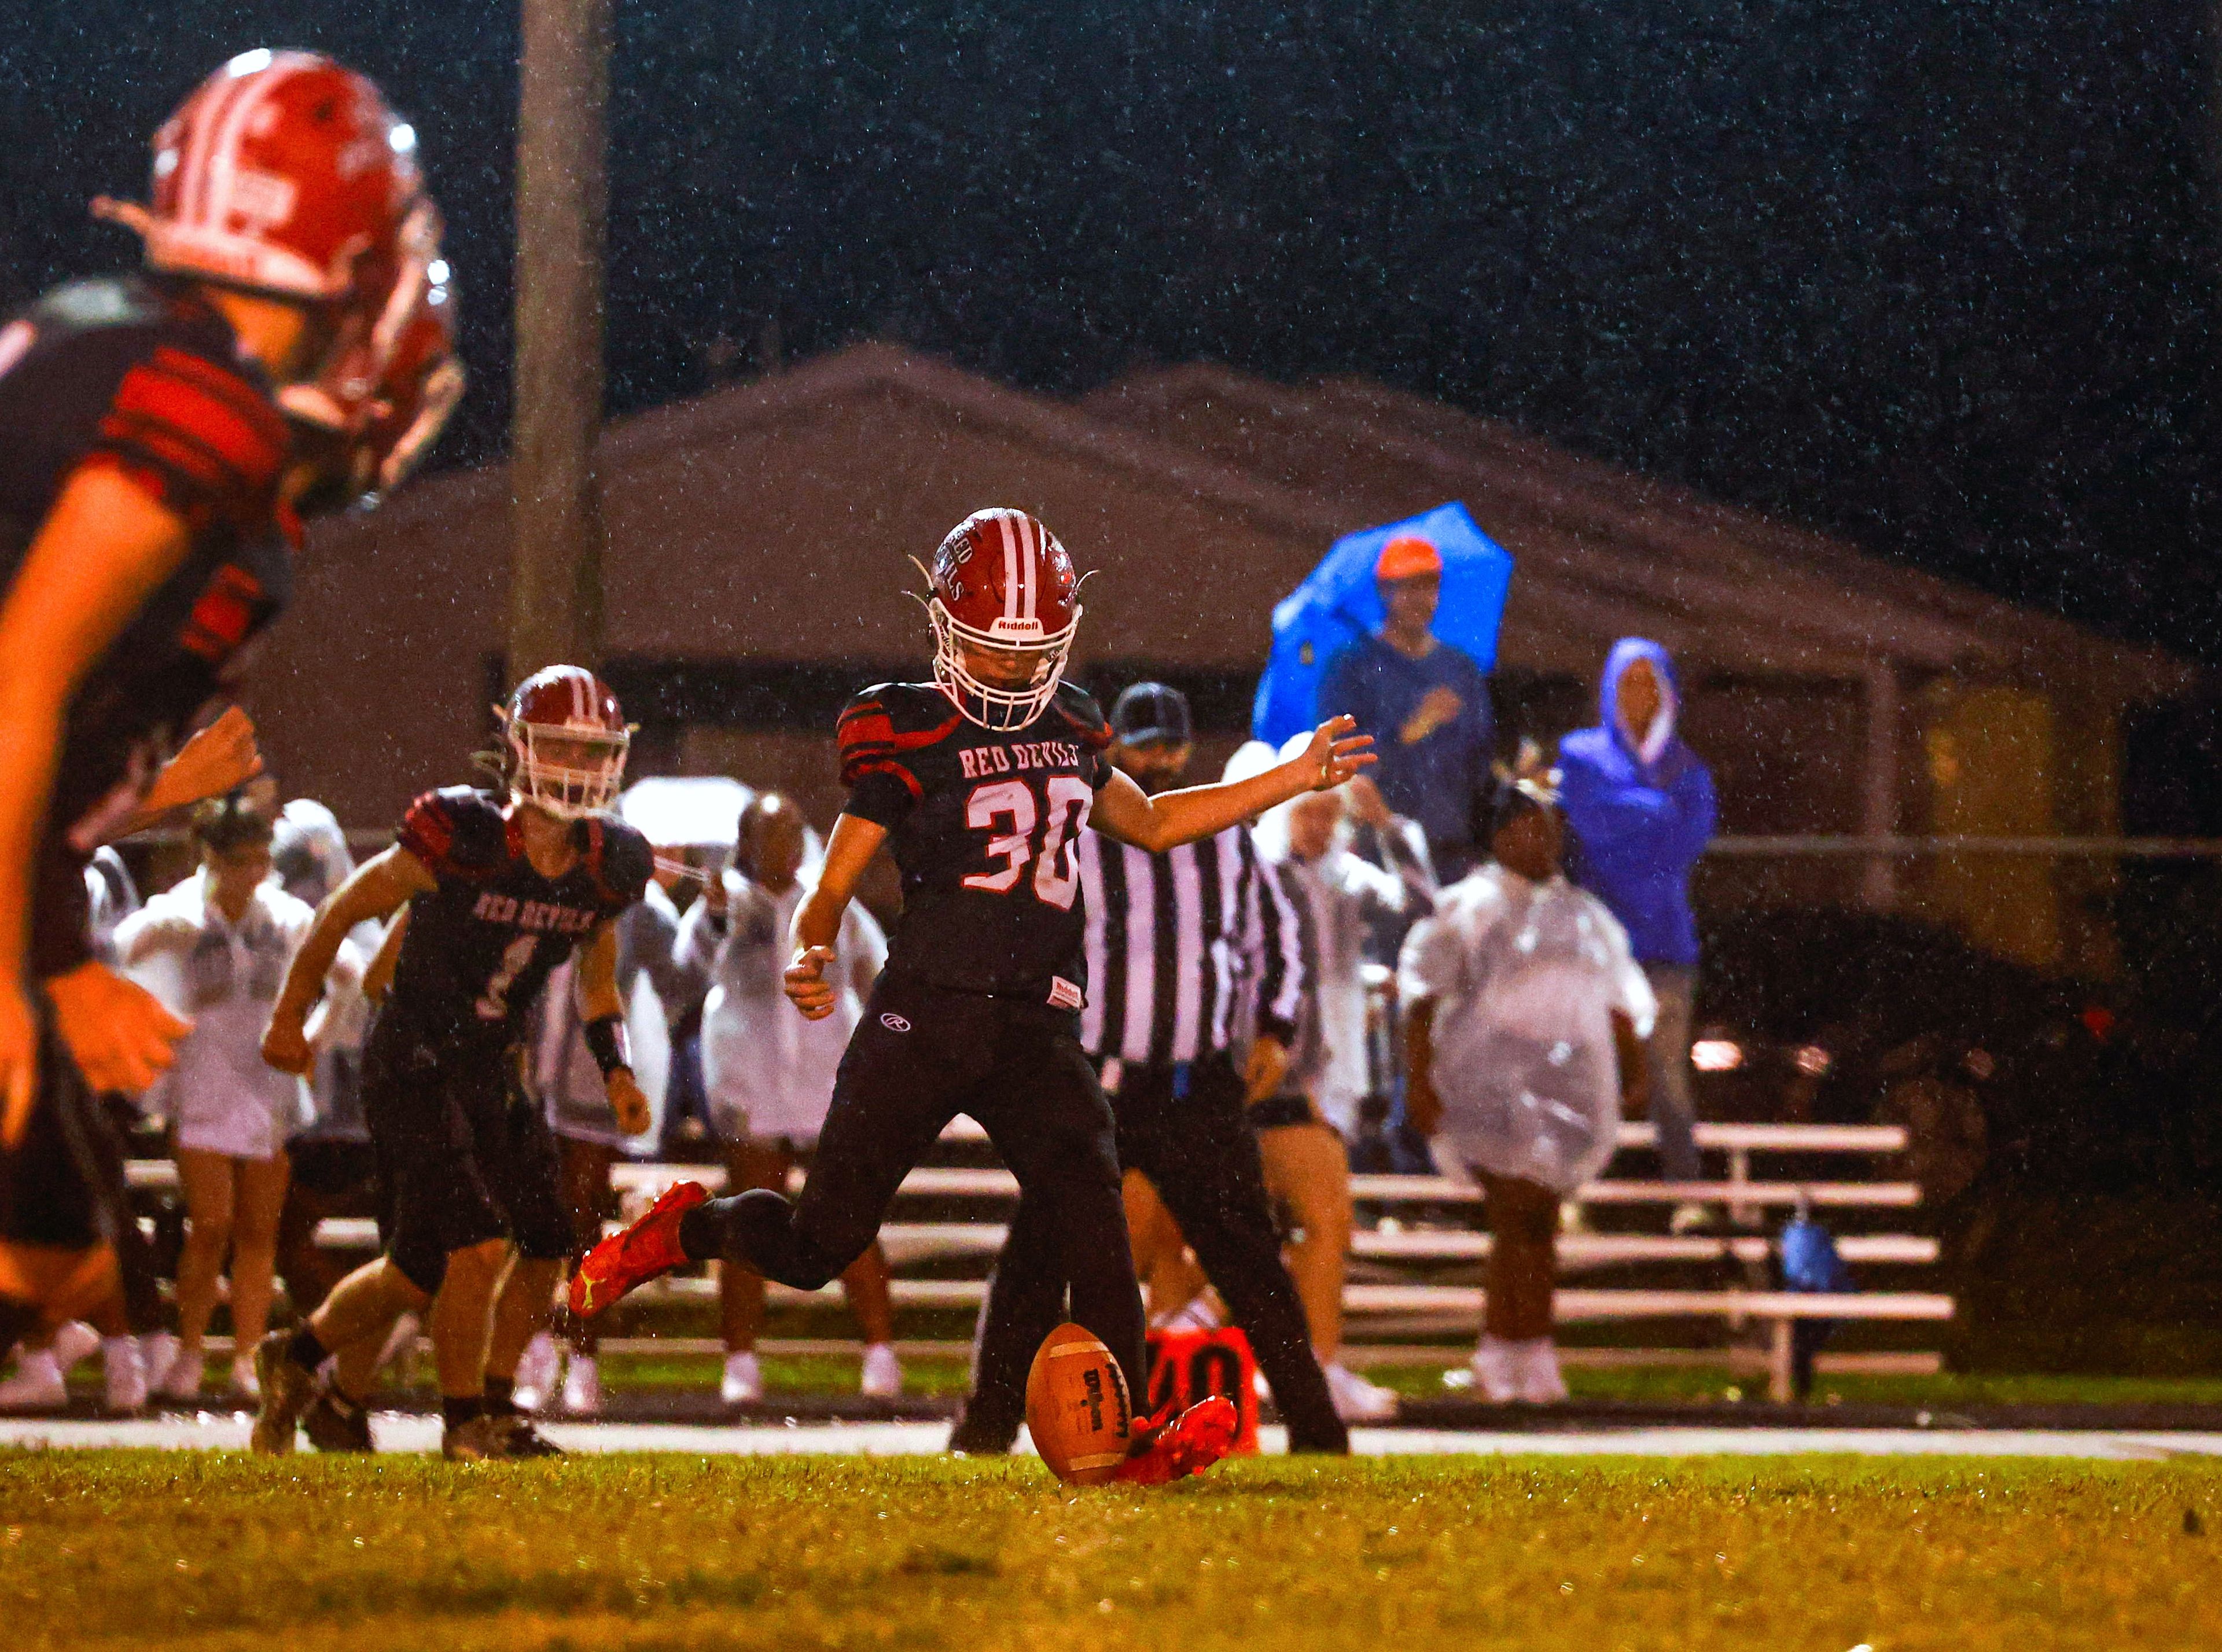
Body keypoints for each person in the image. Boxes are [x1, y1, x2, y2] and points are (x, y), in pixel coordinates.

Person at [573, 508, 1374, 1485]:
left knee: (1097, 1227)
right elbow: (835, 878)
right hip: (926, 1014)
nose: (1011, 671)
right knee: (820, 1242)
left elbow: (1157, 824)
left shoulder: (1074, 719)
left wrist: (1288, 779)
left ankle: (1117, 1439)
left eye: (1029, 651)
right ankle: (680, 1229)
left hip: (1037, 1022)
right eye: (994, 650)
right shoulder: (902, 724)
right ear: (946, 633)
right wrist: (814, 946)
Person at [0, 48, 440, 1363]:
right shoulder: (206, 395)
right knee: (47, 1259)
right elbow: (22, 671)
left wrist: (59, 953)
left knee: (60, 1261)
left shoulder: (108, 339)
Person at [251, 666, 654, 1460]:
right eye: (560, 745)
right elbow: (345, 911)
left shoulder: (608, 864)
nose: (575, 764)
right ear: (521, 749)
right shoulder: (464, 836)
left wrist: (617, 1072)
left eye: (590, 749)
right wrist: (287, 1016)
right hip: (414, 1061)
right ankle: (464, 1418)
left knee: (528, 1241)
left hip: (487, 1069)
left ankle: (333, 1366)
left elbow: (598, 984)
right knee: (465, 1252)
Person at [946, 683, 1350, 1455]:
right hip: (1094, 1081)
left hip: (1194, 1084)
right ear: (1111, 746)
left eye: (1169, 745)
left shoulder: (1227, 833)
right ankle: (987, 1423)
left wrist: (1274, 1026)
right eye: (1144, 745)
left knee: (1250, 1264)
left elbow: (1278, 940)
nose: (1158, 760)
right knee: (1036, 1254)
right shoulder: (1076, 832)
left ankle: (1317, 1426)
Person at [1400, 773, 1654, 1403]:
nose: (1546, 836)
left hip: (1564, 1089)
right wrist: (1419, 1080)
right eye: (1531, 823)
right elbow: (1421, 997)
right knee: (1517, 1213)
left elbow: (1618, 996)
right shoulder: (1470, 904)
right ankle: (1503, 1347)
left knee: (1539, 1219)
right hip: (1488, 1086)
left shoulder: (1583, 913)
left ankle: (1529, 1347)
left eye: (1552, 824)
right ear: (1504, 832)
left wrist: (1634, 1067)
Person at [670, 792, 899, 1407]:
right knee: (751, 1216)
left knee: (849, 1213)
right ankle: (741, 1358)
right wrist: (716, 917)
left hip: (826, 1075)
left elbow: (875, 968)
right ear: (746, 841)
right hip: (751, 1076)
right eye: (771, 833)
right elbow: (686, 972)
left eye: (795, 829)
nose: (786, 844)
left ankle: (879, 1349)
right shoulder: (724, 900)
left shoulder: (830, 896)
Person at [116, 794, 316, 1399]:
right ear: (211, 858)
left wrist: (315, 1037)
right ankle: (190, 1347)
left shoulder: (281, 915)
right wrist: (152, 940)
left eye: (261, 860)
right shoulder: (180, 912)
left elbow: (344, 974)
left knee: (259, 1231)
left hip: (266, 1082)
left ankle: (247, 1354)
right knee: (211, 1223)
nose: (252, 873)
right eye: (239, 861)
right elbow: (119, 954)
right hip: (203, 1081)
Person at [1254, 761, 1433, 1420]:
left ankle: (1310, 1363)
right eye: (1308, 809)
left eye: (1330, 811)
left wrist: (1388, 829)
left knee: (1321, 1219)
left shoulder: (1349, 875)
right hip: (1267, 1062)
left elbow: (1421, 908)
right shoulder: (1259, 870)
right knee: (1272, 1222)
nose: (1319, 823)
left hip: (1336, 1062)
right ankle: (1285, 1362)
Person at [512, 847, 704, 1416]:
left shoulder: (636, 909)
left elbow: (680, 982)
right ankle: (532, 1348)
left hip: (589, 1073)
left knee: (581, 1217)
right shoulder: (536, 889)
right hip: (526, 1068)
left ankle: (581, 1352)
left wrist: (712, 923)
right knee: (526, 1217)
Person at [1556, 639, 1717, 1227]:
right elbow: (1590, 828)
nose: (1639, 694)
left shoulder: (1689, 768)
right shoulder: (1580, 754)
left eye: (1651, 681)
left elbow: (1681, 846)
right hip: (1596, 943)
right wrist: (1651, 810)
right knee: (1586, 1065)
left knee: (1667, 1073)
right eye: (1628, 681)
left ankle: (1688, 1194)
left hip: (1666, 946)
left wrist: (1628, 814)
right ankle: (1574, 1192)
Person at [267, 801, 385, 1324]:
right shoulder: (335, 924)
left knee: (277, 1237)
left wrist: (308, 1039)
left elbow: (352, 1017)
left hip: (344, 1127)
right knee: (276, 1238)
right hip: (329, 1122)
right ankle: (340, 1338)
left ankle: (359, 1329)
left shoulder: (354, 931)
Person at [1318, 534, 1495, 881]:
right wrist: (1407, 731)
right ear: (1385, 592)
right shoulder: (1352, 665)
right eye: (1408, 587)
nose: (1420, 599)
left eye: (1429, 587)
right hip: (1379, 851)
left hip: (1454, 850)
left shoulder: (1461, 669)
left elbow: (1481, 757)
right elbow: (1333, 755)